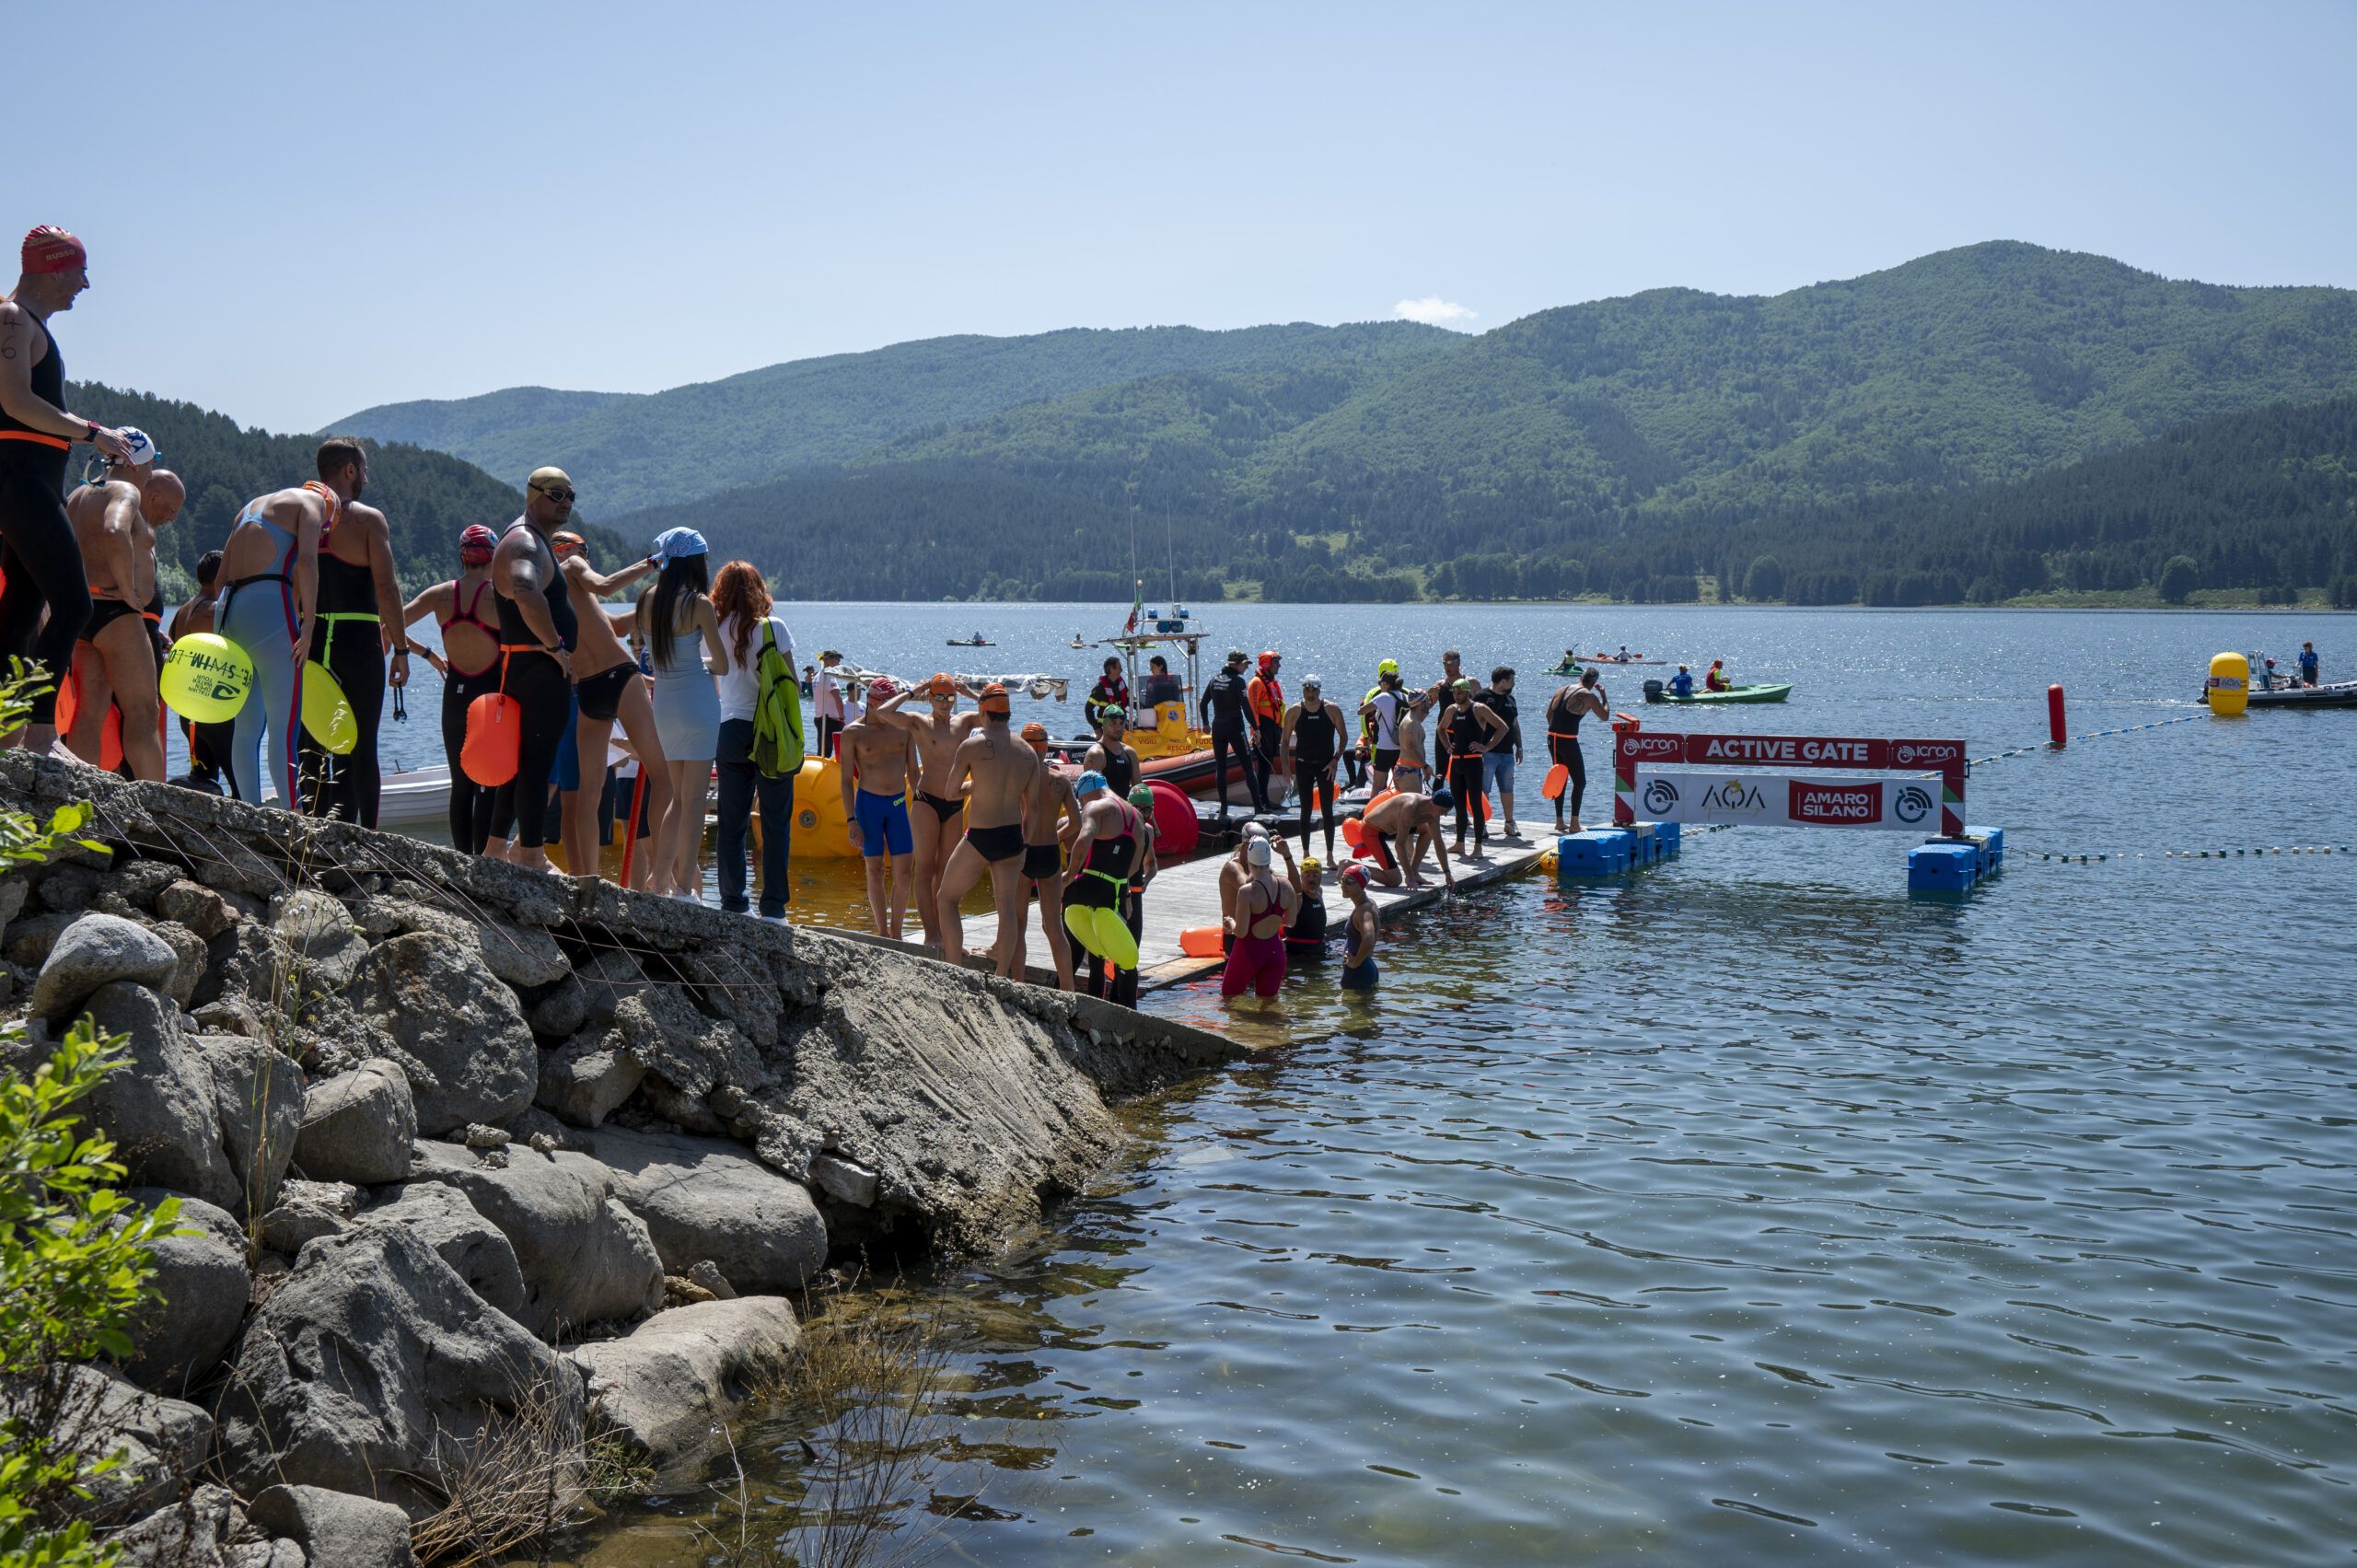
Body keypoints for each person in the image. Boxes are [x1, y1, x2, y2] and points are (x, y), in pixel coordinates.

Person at [0, 226, 134, 750]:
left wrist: (81, 434)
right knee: (73, 605)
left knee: (21, 613)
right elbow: (14, 402)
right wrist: (91, 432)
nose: (85, 283)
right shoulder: (13, 319)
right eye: (80, 271)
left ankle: (10, 742)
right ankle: (38, 740)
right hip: (20, 481)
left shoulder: (28, 324)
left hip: (32, 480)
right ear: (54, 269)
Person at [216, 443, 355, 807]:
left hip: (230, 607)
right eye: (327, 527)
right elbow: (308, 563)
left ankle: (248, 808)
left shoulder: (249, 508)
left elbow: (221, 577)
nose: (323, 529)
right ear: (330, 505)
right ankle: (294, 817)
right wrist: (308, 626)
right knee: (284, 724)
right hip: (269, 605)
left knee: (246, 727)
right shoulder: (311, 504)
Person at [296, 446, 412, 827]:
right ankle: (370, 843)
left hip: (310, 641)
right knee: (362, 748)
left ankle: (311, 837)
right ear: (349, 470)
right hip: (359, 640)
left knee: (313, 741)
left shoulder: (300, 514)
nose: (367, 477)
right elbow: (387, 588)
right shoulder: (366, 520)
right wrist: (402, 649)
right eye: (364, 469)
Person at [553, 531, 668, 877]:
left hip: (587, 687)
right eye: (583, 552)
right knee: (664, 777)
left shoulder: (545, 589)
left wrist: (650, 606)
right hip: (619, 676)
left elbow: (613, 626)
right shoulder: (572, 566)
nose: (585, 559)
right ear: (573, 551)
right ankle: (667, 876)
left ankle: (587, 879)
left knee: (590, 794)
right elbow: (605, 586)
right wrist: (651, 564)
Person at [64, 442, 180, 779]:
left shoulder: (80, 494)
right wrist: (129, 592)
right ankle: (158, 810)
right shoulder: (126, 490)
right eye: (149, 466)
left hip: (84, 613)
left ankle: (78, 796)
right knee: (143, 713)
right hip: (117, 614)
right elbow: (115, 530)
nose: (148, 475)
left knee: (89, 712)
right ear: (135, 464)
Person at [403, 526, 504, 848]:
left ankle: (460, 861)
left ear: (462, 556)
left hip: (456, 695)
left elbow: (389, 624)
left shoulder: (440, 594)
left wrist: (427, 654)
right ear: (493, 556)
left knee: (460, 786)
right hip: (490, 697)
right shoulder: (500, 596)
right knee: (487, 784)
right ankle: (484, 864)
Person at [640, 532, 728, 899]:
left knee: (677, 798)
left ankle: (659, 879)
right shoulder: (699, 604)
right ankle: (682, 889)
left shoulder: (647, 599)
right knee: (694, 801)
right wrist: (703, 661)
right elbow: (721, 665)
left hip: (664, 705)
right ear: (696, 563)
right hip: (697, 703)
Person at [866, 672, 981, 949]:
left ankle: (945, 932)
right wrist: (911, 691)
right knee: (925, 869)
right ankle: (931, 934)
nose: (944, 702)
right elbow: (883, 712)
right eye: (939, 696)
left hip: (954, 803)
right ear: (930, 698)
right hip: (926, 801)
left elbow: (997, 712)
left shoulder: (964, 721)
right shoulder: (919, 722)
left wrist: (969, 693)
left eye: (949, 696)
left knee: (946, 871)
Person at [712, 561, 798, 920]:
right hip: (771, 735)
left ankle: (734, 903)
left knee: (732, 822)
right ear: (758, 589)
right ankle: (774, 907)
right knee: (775, 821)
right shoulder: (774, 627)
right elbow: (791, 682)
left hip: (730, 728)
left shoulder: (714, 628)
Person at [935, 683, 1039, 975]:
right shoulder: (1027, 752)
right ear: (1008, 714)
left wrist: (975, 785)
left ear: (983, 713)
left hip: (980, 836)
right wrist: (1025, 846)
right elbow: (1033, 809)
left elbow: (950, 792)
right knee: (1007, 908)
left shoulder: (971, 746)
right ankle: (1001, 975)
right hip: (1012, 838)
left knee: (946, 898)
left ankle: (955, 970)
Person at [841, 679, 920, 939]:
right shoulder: (853, 732)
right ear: (871, 701)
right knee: (874, 869)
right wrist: (851, 820)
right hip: (868, 804)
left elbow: (913, 772)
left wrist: (924, 803)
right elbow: (845, 780)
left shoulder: (904, 730)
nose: (885, 710)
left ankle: (896, 931)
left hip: (897, 803)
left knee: (905, 873)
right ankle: (882, 930)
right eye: (880, 704)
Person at [1064, 771, 1146, 1003]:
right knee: (1124, 958)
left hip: (1087, 886)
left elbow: (1083, 840)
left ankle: (1066, 999)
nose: (1082, 806)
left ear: (1087, 791)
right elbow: (1134, 866)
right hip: (1118, 891)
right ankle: (1129, 1012)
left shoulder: (1096, 807)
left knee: (1074, 944)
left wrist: (1069, 875)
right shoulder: (1136, 816)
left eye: (1080, 800)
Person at [1080, 783, 1158, 1007]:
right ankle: (1096, 1005)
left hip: (1134, 896)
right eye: (1138, 808)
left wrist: (1147, 880)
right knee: (1098, 957)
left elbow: (1151, 864)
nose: (1143, 814)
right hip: (1115, 895)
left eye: (1147, 810)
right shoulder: (1119, 827)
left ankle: (1124, 1009)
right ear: (1129, 806)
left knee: (1128, 957)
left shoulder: (1149, 832)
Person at [1014, 723, 1077, 986]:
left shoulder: (1016, 778)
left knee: (1018, 926)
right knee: (1054, 928)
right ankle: (1069, 991)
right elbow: (1076, 824)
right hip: (1050, 853)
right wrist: (1055, 837)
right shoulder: (1060, 780)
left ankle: (1017, 986)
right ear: (1046, 747)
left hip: (1022, 853)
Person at [168, 549, 228, 791]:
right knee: (237, 781)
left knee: (205, 780)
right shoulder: (212, 610)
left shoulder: (183, 610)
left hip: (188, 712)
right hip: (210, 708)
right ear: (220, 577)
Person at [1221, 835, 1296, 1008]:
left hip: (1249, 953)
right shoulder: (1286, 886)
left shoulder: (1247, 892)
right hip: (1275, 953)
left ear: (1249, 860)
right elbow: (1290, 922)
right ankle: (1267, 1035)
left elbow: (1241, 932)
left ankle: (1243, 1035)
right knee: (1269, 1006)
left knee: (1229, 1000)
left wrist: (1230, 923)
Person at [1438, 679, 1508, 858]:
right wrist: (1448, 745)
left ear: (1468, 692)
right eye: (1454, 692)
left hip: (1474, 763)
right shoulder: (1451, 709)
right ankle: (1460, 844)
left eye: (1460, 692)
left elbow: (1503, 727)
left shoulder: (1479, 709)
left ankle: (1478, 847)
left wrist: (1486, 747)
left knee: (1476, 805)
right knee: (1459, 806)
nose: (1457, 696)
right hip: (1456, 763)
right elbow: (1441, 729)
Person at [1280, 675, 1347, 861]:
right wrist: (1286, 766)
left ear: (1319, 691)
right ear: (1303, 690)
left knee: (1327, 810)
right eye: (1307, 690)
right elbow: (1284, 742)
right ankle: (1306, 854)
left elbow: (1344, 737)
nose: (1310, 694)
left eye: (1314, 690)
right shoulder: (1294, 711)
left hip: (1326, 766)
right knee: (1306, 810)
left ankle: (1330, 855)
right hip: (1303, 765)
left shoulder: (1331, 709)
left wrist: (1335, 760)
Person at [1201, 647, 1263, 819]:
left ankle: (1223, 808)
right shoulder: (1238, 681)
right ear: (1235, 665)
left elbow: (1203, 703)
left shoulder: (1214, 680)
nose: (1246, 668)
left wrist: (1205, 723)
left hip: (1218, 727)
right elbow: (1246, 707)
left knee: (1221, 768)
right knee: (1248, 767)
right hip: (1235, 728)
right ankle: (1258, 807)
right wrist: (1256, 728)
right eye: (1244, 664)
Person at [1354, 788, 1457, 892]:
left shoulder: (1434, 812)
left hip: (1391, 829)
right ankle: (1350, 866)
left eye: (1447, 812)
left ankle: (1415, 872)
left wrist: (1447, 873)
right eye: (1443, 811)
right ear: (1432, 802)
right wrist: (1409, 877)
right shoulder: (1411, 807)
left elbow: (1438, 842)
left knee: (1427, 831)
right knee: (1394, 880)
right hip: (1372, 831)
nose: (1445, 815)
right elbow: (1399, 845)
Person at [1546, 668, 1608, 832]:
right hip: (1568, 741)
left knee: (1560, 778)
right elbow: (1605, 716)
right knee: (1580, 782)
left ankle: (1559, 822)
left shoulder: (1561, 689)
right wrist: (1603, 696)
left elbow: (1548, 716)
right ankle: (1574, 824)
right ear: (1594, 683)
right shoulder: (1588, 696)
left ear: (1581, 677)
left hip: (1552, 738)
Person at [1474, 667, 1524, 838]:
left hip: (1507, 753)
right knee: (1483, 789)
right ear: (1503, 681)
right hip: (1487, 753)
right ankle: (1482, 824)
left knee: (1507, 788)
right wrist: (1481, 746)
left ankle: (1509, 823)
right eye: (1511, 680)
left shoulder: (1511, 699)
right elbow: (1472, 721)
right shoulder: (1482, 697)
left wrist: (1519, 746)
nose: (1513, 683)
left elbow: (1515, 724)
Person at [1247, 649, 1284, 810]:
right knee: (1262, 765)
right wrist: (1256, 731)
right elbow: (1252, 709)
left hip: (1274, 727)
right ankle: (1261, 801)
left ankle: (1265, 799)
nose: (1279, 665)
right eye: (1276, 662)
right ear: (1267, 663)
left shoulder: (1271, 682)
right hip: (1263, 727)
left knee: (1267, 765)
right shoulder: (1256, 682)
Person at [1361, 660, 1406, 793]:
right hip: (1401, 746)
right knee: (1399, 784)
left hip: (1384, 747)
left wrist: (1364, 704)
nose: (1380, 685)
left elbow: (1362, 712)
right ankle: (1401, 811)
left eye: (1381, 683)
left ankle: (1370, 812)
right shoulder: (1405, 695)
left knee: (1378, 785)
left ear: (1386, 684)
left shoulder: (1383, 696)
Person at [1083, 706, 1140, 801]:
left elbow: (1139, 789)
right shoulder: (1096, 755)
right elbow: (1093, 795)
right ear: (1103, 725)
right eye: (1113, 723)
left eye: (1121, 723)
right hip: (1105, 812)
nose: (1118, 728)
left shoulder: (1130, 753)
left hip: (1126, 812)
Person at [1339, 864, 1378, 991]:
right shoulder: (1369, 903)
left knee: (1355, 1009)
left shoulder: (1363, 911)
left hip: (1358, 972)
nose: (1343, 885)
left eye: (1349, 881)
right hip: (1366, 968)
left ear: (1361, 884)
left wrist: (1354, 963)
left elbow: (1369, 938)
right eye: (1342, 880)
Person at [1283, 853, 1328, 965]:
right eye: (1307, 875)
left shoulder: (1319, 892)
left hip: (1318, 951)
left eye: (1315, 875)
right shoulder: (1298, 898)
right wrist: (1287, 855)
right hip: (1299, 955)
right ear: (1301, 877)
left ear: (1321, 877)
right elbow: (1292, 883)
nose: (1311, 879)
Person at [811, 650, 847, 758]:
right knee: (829, 750)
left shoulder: (817, 676)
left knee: (822, 750)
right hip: (830, 718)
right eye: (837, 660)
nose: (839, 663)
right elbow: (838, 698)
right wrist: (841, 717)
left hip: (819, 716)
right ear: (831, 660)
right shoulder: (829, 676)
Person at [1085, 656, 1128, 731]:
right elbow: (1088, 709)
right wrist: (1097, 728)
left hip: (1120, 726)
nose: (1121, 670)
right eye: (1119, 668)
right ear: (1112, 670)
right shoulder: (1100, 688)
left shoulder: (1121, 684)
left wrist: (1141, 707)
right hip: (1105, 728)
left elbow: (1129, 699)